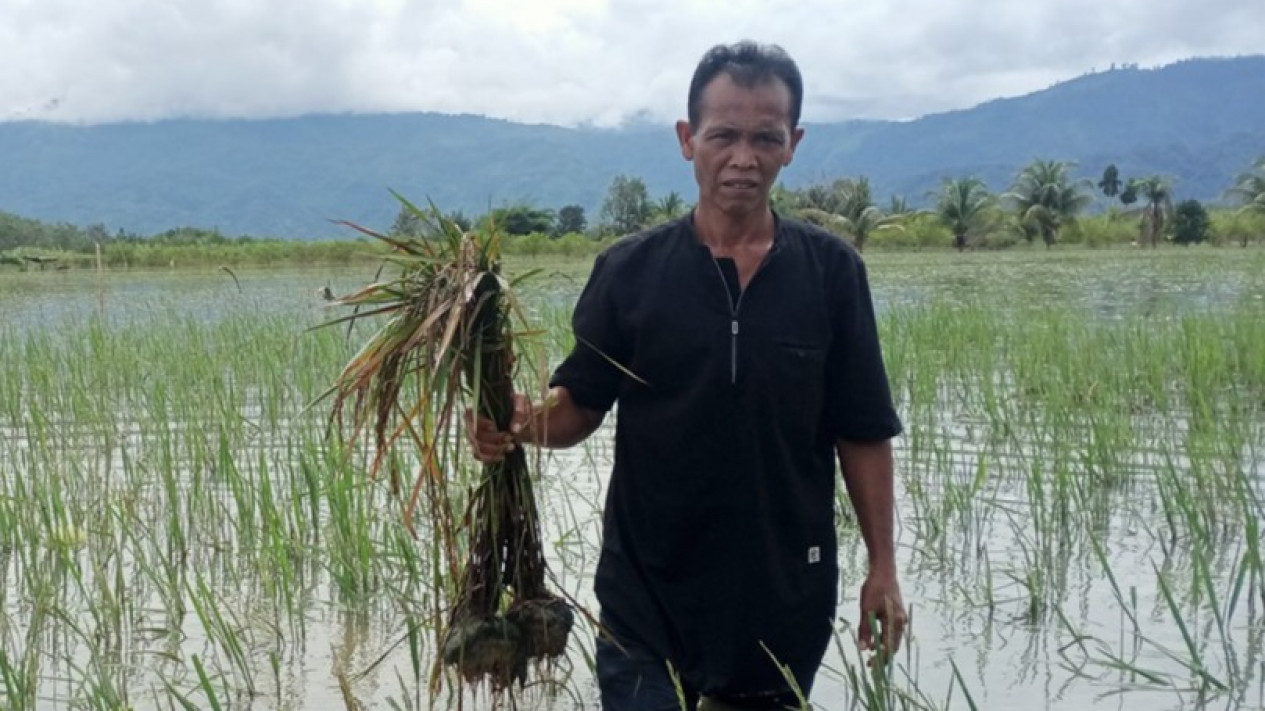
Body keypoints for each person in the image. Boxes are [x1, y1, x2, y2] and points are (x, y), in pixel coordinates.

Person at [471, 40, 906, 710]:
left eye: (765, 137)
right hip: (645, 593)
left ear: (792, 143)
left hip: (782, 591)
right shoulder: (629, 270)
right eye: (722, 135)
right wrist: (518, 423)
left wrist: (883, 565)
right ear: (686, 139)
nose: (743, 157)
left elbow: (861, 429)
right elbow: (580, 404)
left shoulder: (831, 273)